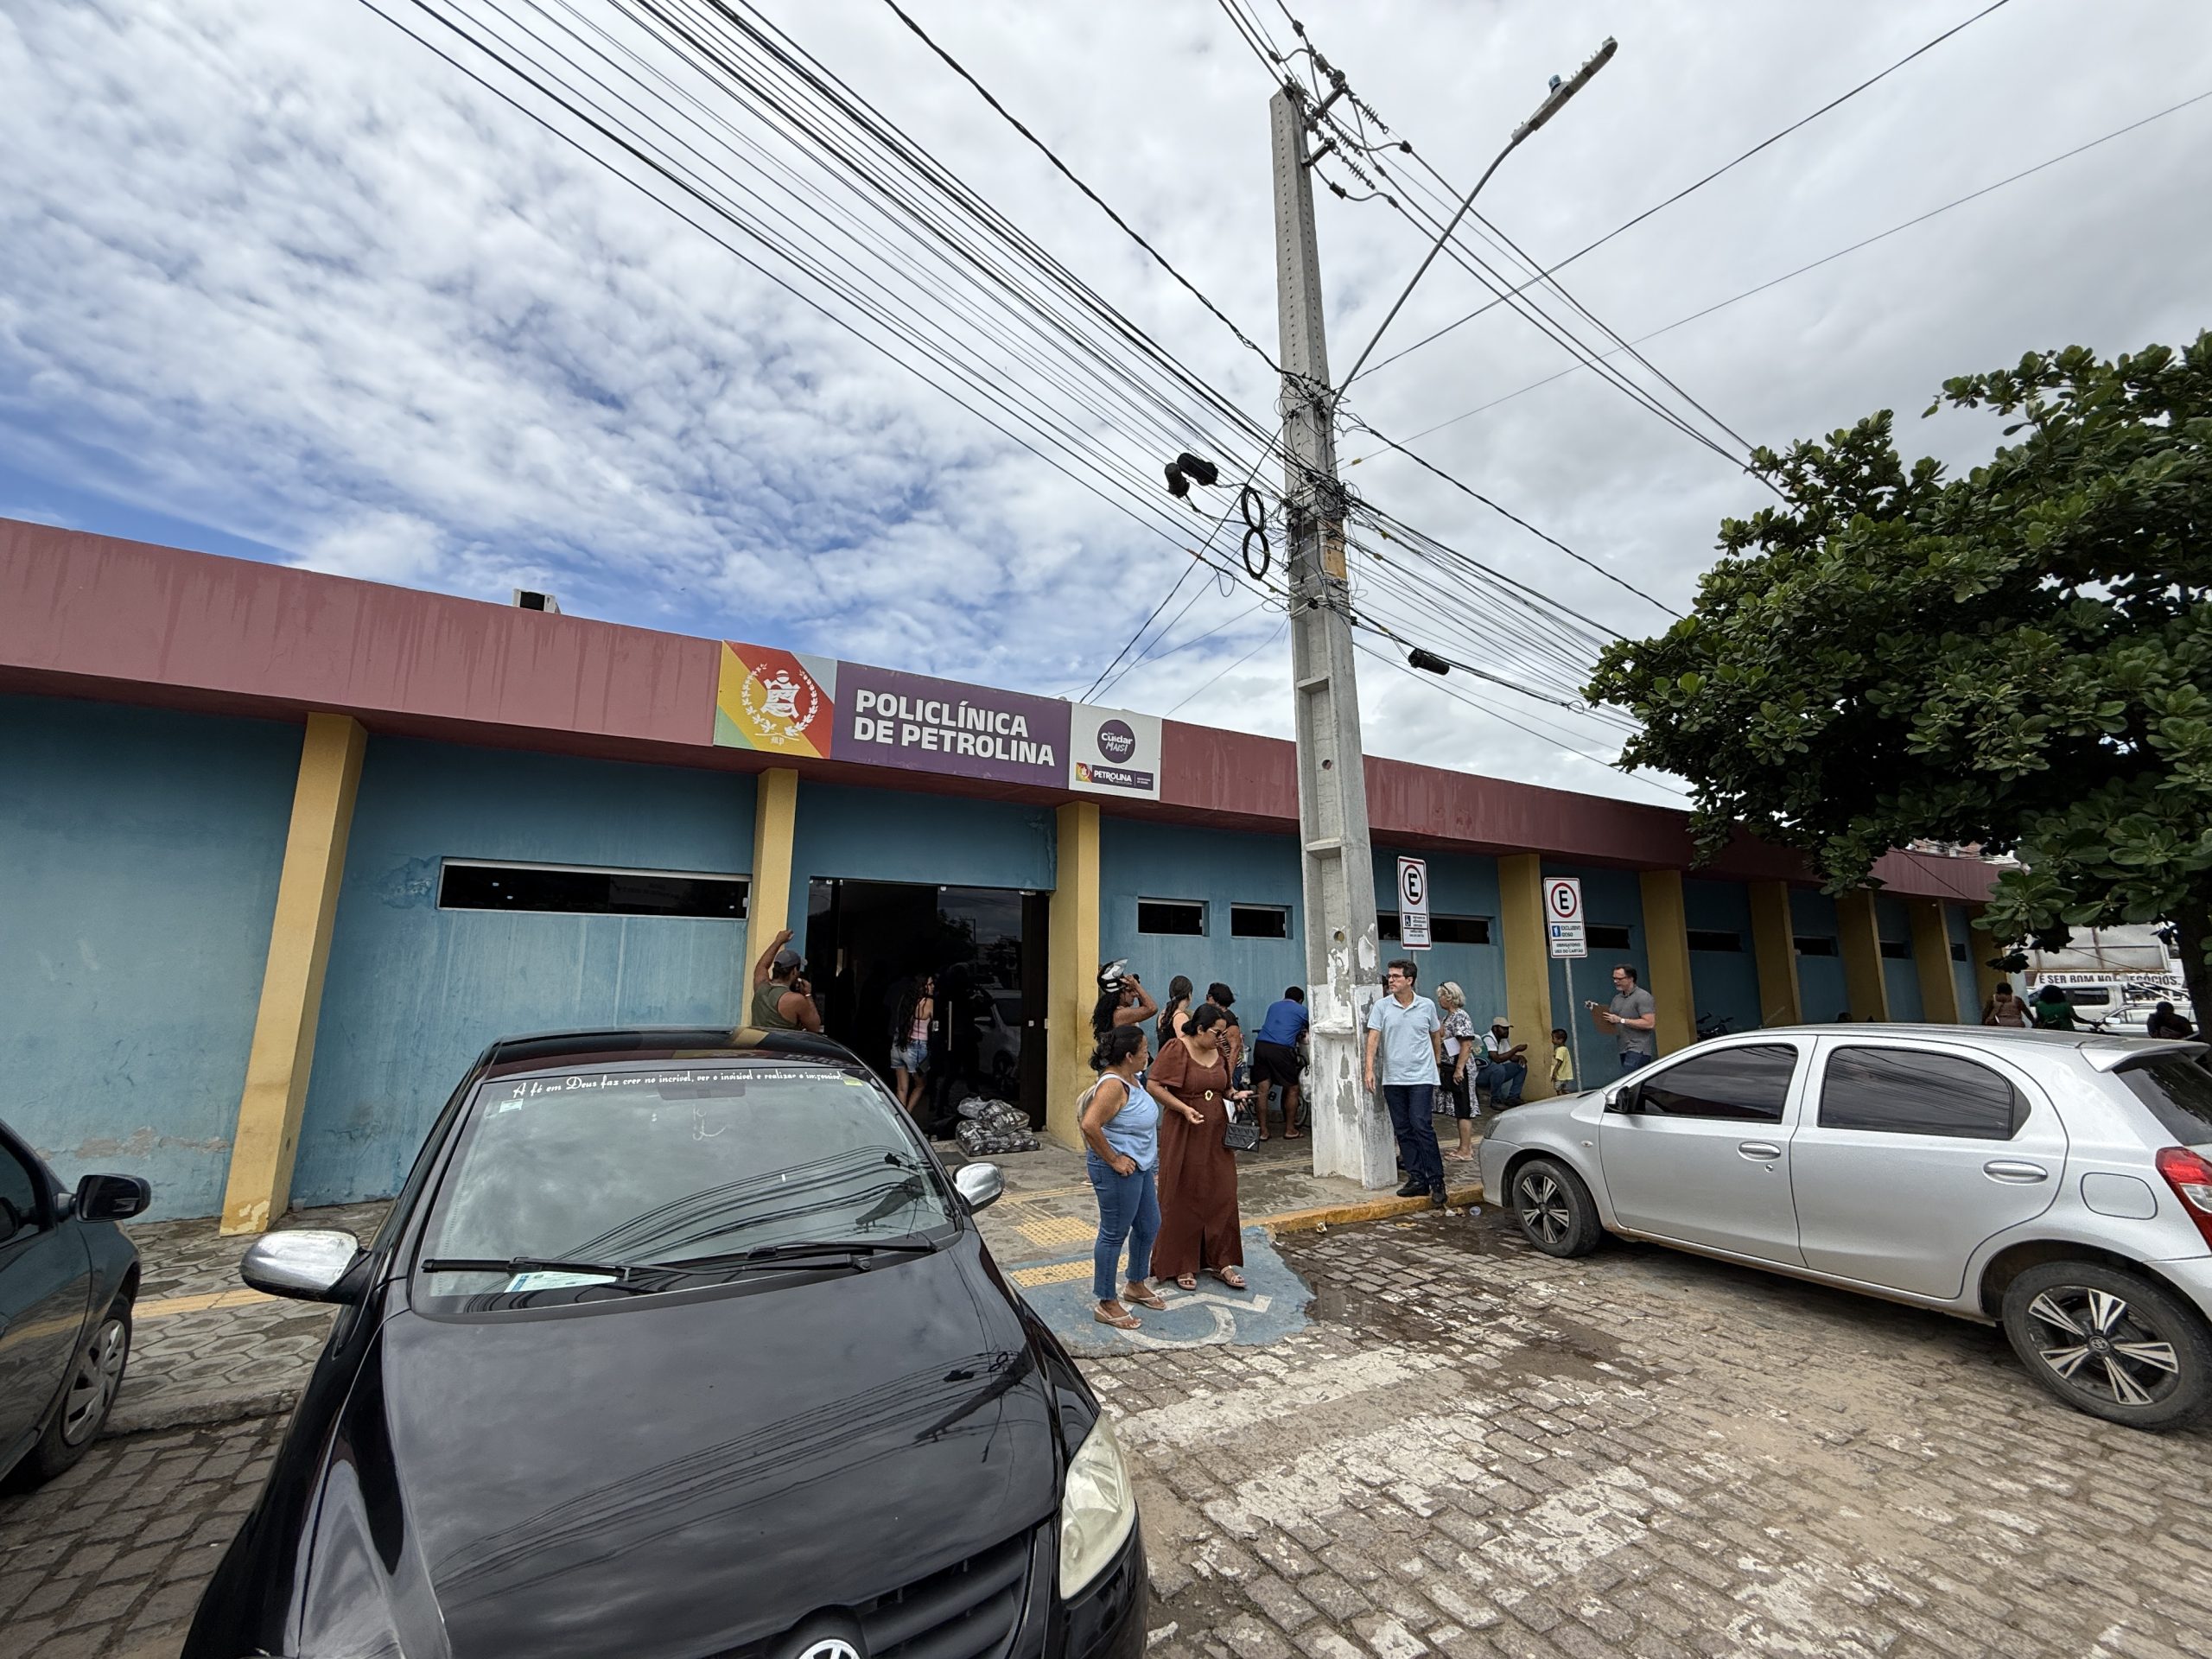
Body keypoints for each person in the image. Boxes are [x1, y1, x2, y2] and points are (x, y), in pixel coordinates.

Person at [1148, 1002, 1249, 1291]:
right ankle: (1182, 1262)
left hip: (1216, 1132)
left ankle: (1221, 1260)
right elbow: (1154, 1085)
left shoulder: (1219, 1052)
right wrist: (1182, 1108)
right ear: (1200, 1029)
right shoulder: (1176, 1049)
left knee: (1222, 1192)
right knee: (1184, 1193)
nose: (1220, 1038)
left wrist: (1235, 1095)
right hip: (1184, 1130)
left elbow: (1224, 1087)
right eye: (1216, 1032)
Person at [1080, 1024, 1165, 1330]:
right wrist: (1114, 1159)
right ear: (1129, 1056)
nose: (1148, 1055)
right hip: (1117, 1169)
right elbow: (1090, 1125)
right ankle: (1106, 1301)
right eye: (1144, 1051)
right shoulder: (1113, 1086)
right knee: (1114, 1233)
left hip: (1140, 1166)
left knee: (1149, 1224)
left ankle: (1136, 1284)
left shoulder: (1133, 1078)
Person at [1363, 959, 1446, 1207]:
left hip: (1421, 1076)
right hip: (1393, 1078)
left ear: (1409, 980)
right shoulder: (1382, 1006)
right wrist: (1369, 1069)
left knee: (1421, 1124)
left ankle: (1437, 1180)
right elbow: (1373, 1037)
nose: (1391, 980)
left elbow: (1435, 1035)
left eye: (1396, 976)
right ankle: (1417, 1178)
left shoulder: (1426, 1005)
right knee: (1403, 1129)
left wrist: (1437, 1062)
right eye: (1390, 976)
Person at [1252, 986, 1309, 1141]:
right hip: (1281, 1049)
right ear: (1300, 1000)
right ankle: (1290, 1130)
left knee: (1262, 1089)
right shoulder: (1301, 1010)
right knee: (1293, 1088)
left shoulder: (1273, 1006)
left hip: (1261, 1045)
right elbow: (1310, 1028)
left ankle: (1263, 1132)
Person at [1434, 982, 1478, 1162]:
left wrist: (1459, 1069)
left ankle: (1465, 1149)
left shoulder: (1460, 1016)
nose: (1439, 1000)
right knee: (1459, 1107)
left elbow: (1466, 1044)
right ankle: (1463, 1146)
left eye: (1441, 996)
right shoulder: (1449, 1018)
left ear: (1449, 997)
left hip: (1461, 1067)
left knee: (1463, 1108)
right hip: (1451, 1065)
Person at [749, 928, 822, 1033]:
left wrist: (778, 941)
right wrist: (808, 995)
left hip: (759, 1042)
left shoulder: (760, 987)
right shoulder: (796, 1000)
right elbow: (815, 1027)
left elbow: (762, 966)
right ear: (794, 971)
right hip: (780, 1043)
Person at [1589, 963, 1657, 1073]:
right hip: (1623, 1047)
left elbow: (1649, 1023)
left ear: (1631, 978)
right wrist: (1596, 1009)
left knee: (1630, 1079)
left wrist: (1621, 1020)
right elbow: (1611, 1020)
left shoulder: (1643, 997)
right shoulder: (1617, 999)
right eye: (1614, 978)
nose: (1616, 981)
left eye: (1619, 979)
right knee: (1630, 1080)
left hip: (1639, 1048)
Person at [889, 973, 934, 1116]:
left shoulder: (907, 1000)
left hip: (899, 1044)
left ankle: (901, 1119)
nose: (933, 987)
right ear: (923, 986)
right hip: (917, 1047)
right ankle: (907, 1116)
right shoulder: (929, 1003)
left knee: (902, 1088)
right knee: (920, 1085)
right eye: (930, 984)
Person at [1091, 960, 1158, 1043]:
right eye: (1129, 991)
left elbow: (1143, 1010)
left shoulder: (1118, 1012)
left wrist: (1136, 987)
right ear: (1119, 994)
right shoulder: (1120, 1014)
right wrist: (1136, 985)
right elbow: (1152, 1008)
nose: (1135, 994)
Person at [1476, 1016, 1528, 1108]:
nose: (1506, 1031)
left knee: (1521, 1066)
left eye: (1507, 1028)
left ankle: (1513, 1097)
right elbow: (1497, 1059)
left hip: (1495, 1073)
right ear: (1495, 1028)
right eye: (1504, 1028)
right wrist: (1516, 1049)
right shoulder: (1488, 1038)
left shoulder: (1503, 1040)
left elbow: (1511, 1057)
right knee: (1498, 1068)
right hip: (1481, 1076)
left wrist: (1520, 1057)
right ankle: (1496, 1100)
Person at [1206, 982, 1244, 1075]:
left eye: (1208, 996)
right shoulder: (1215, 1016)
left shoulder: (1229, 1019)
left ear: (1211, 997)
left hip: (1229, 1069)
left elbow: (1235, 1049)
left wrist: (1229, 1075)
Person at [1155, 976, 1194, 1052]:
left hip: (1163, 1057)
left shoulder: (1163, 1014)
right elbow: (1186, 1047)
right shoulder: (1180, 1016)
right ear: (1189, 995)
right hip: (1174, 1058)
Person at [1550, 1027, 1574, 1093]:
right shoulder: (1565, 1049)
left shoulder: (1560, 1050)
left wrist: (1554, 1072)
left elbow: (1559, 1062)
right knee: (1565, 1090)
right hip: (1565, 1076)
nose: (1552, 1040)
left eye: (1553, 1038)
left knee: (1558, 1091)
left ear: (1560, 1040)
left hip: (1559, 1076)